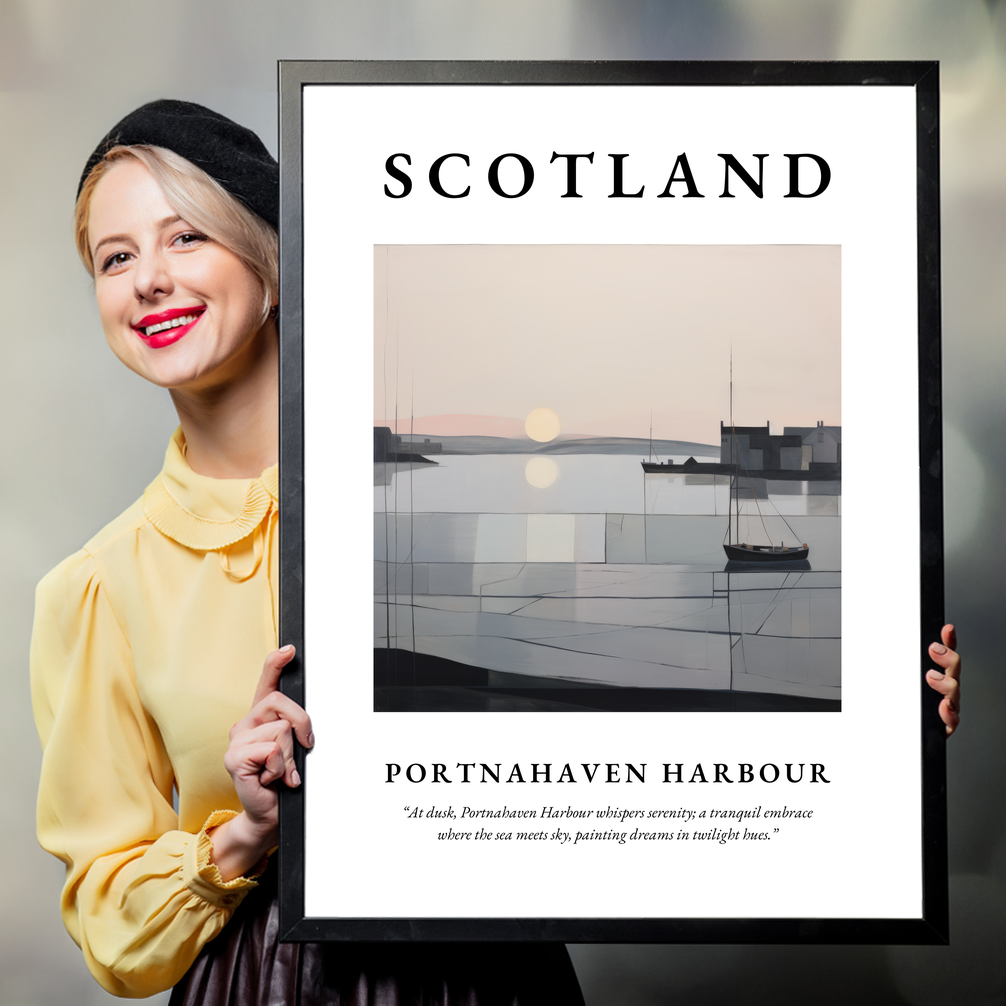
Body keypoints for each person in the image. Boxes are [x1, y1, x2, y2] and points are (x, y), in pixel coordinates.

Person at [30, 100, 585, 1004]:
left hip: (491, 972)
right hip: (263, 982)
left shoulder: (441, 497)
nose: (148, 281)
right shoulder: (98, 587)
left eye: (186, 238)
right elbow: (110, 922)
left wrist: (885, 710)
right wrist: (244, 832)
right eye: (116, 257)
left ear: (273, 264)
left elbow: (590, 710)